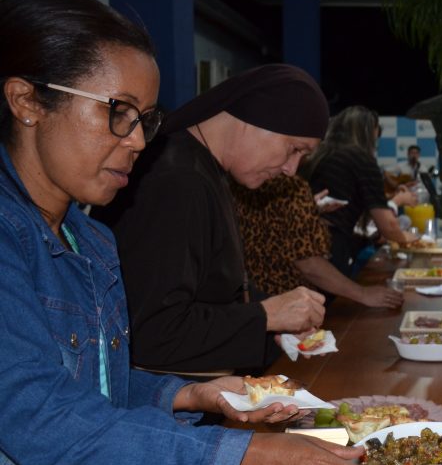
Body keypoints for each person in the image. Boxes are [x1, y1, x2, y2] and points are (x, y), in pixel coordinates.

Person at [0, 0, 386, 465]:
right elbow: (38, 414)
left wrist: (186, 393)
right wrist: (242, 456)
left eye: (146, 121)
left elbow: (97, 387)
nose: (137, 144)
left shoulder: (91, 244)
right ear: (28, 101)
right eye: (118, 115)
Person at [101, 64, 329, 374]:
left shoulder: (203, 169)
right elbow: (152, 335)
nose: (291, 168)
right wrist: (265, 316)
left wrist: (277, 319)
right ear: (253, 118)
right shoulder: (179, 182)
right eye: (294, 149)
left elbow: (212, 292)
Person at [231, 174, 403, 309]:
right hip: (288, 307)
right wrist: (363, 293)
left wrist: (309, 211)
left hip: (256, 306)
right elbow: (308, 263)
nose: (292, 166)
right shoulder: (292, 186)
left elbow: (269, 230)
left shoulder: (236, 180)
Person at [300, 106, 417, 276]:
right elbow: (388, 226)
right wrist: (412, 239)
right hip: (332, 248)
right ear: (367, 133)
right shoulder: (361, 159)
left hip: (301, 245)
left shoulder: (319, 155)